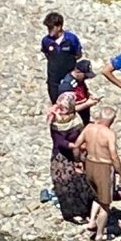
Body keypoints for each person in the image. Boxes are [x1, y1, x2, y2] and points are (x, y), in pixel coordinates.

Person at [74, 106, 121, 241]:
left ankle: (91, 222)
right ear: (112, 120)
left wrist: (78, 160)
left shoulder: (89, 128)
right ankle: (100, 234)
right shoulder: (109, 134)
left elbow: (77, 145)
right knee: (106, 203)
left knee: (97, 195)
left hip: (90, 164)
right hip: (104, 166)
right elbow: (114, 156)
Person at [46, 92, 94, 223]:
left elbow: (81, 133)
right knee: (66, 184)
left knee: (82, 183)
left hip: (77, 154)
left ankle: (86, 210)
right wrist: (74, 145)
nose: (61, 110)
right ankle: (72, 213)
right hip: (61, 156)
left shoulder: (76, 118)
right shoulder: (56, 120)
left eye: (64, 108)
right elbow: (59, 141)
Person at [41, 11, 82, 105]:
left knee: (70, 103)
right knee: (56, 103)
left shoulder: (71, 39)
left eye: (51, 28)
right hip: (53, 78)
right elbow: (46, 54)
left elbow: (78, 54)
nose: (49, 30)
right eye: (48, 28)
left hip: (68, 77)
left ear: (59, 27)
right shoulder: (46, 41)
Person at [59, 58, 99, 126]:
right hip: (75, 118)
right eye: (85, 75)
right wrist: (88, 104)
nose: (86, 78)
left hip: (84, 111)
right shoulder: (67, 86)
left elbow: (82, 89)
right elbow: (68, 109)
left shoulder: (79, 79)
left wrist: (90, 95)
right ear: (78, 72)